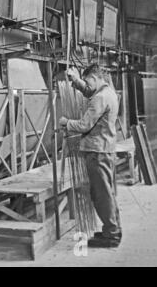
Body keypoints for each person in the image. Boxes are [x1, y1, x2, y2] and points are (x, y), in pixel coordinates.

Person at [59, 64, 122, 248]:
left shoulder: (100, 98)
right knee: (107, 192)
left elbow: (84, 125)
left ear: (94, 78)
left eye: (87, 81)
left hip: (97, 152)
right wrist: (77, 81)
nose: (86, 85)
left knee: (101, 194)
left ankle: (111, 235)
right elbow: (89, 92)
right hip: (104, 150)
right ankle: (113, 229)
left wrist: (67, 123)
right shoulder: (107, 92)